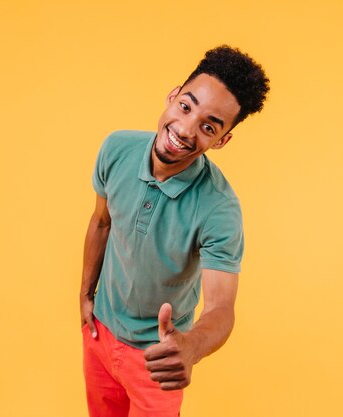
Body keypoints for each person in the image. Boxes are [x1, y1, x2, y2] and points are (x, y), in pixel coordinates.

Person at [80, 45, 270, 417]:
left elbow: (220, 307)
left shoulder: (219, 208)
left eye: (208, 126)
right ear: (172, 96)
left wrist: (190, 347)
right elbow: (101, 222)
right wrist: (86, 295)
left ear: (222, 140)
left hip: (159, 358)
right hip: (99, 334)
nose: (185, 129)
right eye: (186, 106)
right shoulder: (115, 149)